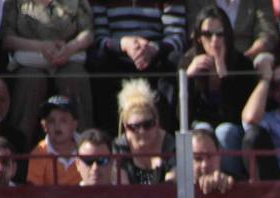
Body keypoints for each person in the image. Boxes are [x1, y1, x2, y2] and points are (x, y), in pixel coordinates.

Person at [0, 0, 94, 149]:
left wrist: (71, 47)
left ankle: (86, 148)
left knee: (74, 77)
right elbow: (6, 38)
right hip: (29, 60)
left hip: (68, 57)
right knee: (31, 81)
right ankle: (19, 149)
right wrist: (41, 47)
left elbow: (88, 33)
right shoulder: (14, 3)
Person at [182, 5, 261, 177]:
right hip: (201, 127)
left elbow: (237, 116)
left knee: (225, 132)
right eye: (208, 34)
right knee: (201, 129)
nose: (214, 40)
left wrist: (224, 75)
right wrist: (188, 79)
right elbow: (180, 118)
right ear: (198, 38)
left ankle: (228, 182)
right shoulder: (187, 62)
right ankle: (199, 180)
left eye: (220, 34)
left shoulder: (241, 64)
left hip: (230, 130)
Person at [88, 0, 188, 130]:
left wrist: (154, 48)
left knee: (174, 61)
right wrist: (122, 44)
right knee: (99, 62)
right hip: (117, 54)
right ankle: (109, 136)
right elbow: (99, 37)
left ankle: (167, 135)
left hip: (156, 55)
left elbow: (177, 36)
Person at [112, 78, 177, 183]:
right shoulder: (119, 147)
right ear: (125, 126)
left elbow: (171, 182)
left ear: (156, 122)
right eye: (134, 127)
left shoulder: (170, 144)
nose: (141, 131)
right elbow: (123, 188)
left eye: (147, 125)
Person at [187, 0, 279, 66]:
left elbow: (267, 31)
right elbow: (194, 32)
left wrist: (244, 58)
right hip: (208, 57)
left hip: (249, 57)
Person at [24, 94, 83, 185]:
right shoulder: (39, 152)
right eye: (51, 121)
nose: (57, 125)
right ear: (44, 126)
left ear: (74, 125)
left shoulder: (87, 148)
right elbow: (34, 192)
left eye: (63, 120)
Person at [188, 126, 238, 191]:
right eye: (198, 158)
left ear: (219, 156)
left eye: (210, 156)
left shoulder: (235, 182)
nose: (205, 165)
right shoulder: (177, 187)